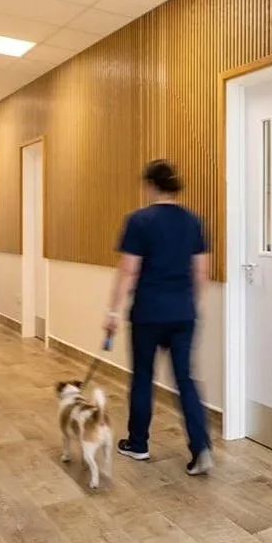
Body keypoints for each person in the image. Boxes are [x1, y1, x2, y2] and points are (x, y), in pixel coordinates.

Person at [104, 159, 213, 475]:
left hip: (148, 313)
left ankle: (138, 444)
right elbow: (201, 272)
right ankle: (200, 447)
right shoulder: (193, 222)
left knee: (142, 376)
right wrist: (189, 305)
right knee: (185, 380)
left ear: (150, 185)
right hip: (183, 313)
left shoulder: (139, 220)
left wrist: (112, 311)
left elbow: (128, 271)